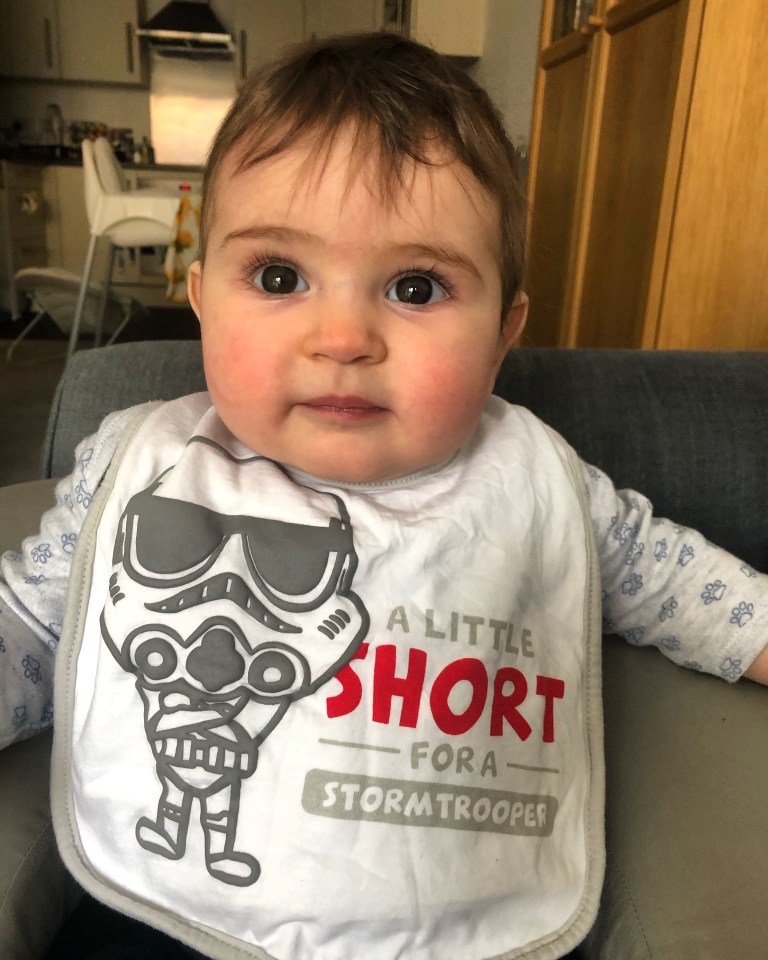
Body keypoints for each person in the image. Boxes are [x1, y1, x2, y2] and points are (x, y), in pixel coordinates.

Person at [1, 31, 767, 960]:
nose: (343, 336)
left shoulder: (537, 480)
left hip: (469, 935)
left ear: (504, 331)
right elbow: (35, 627)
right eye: (279, 276)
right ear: (201, 297)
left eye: (415, 285)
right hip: (164, 914)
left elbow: (681, 584)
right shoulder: (145, 464)